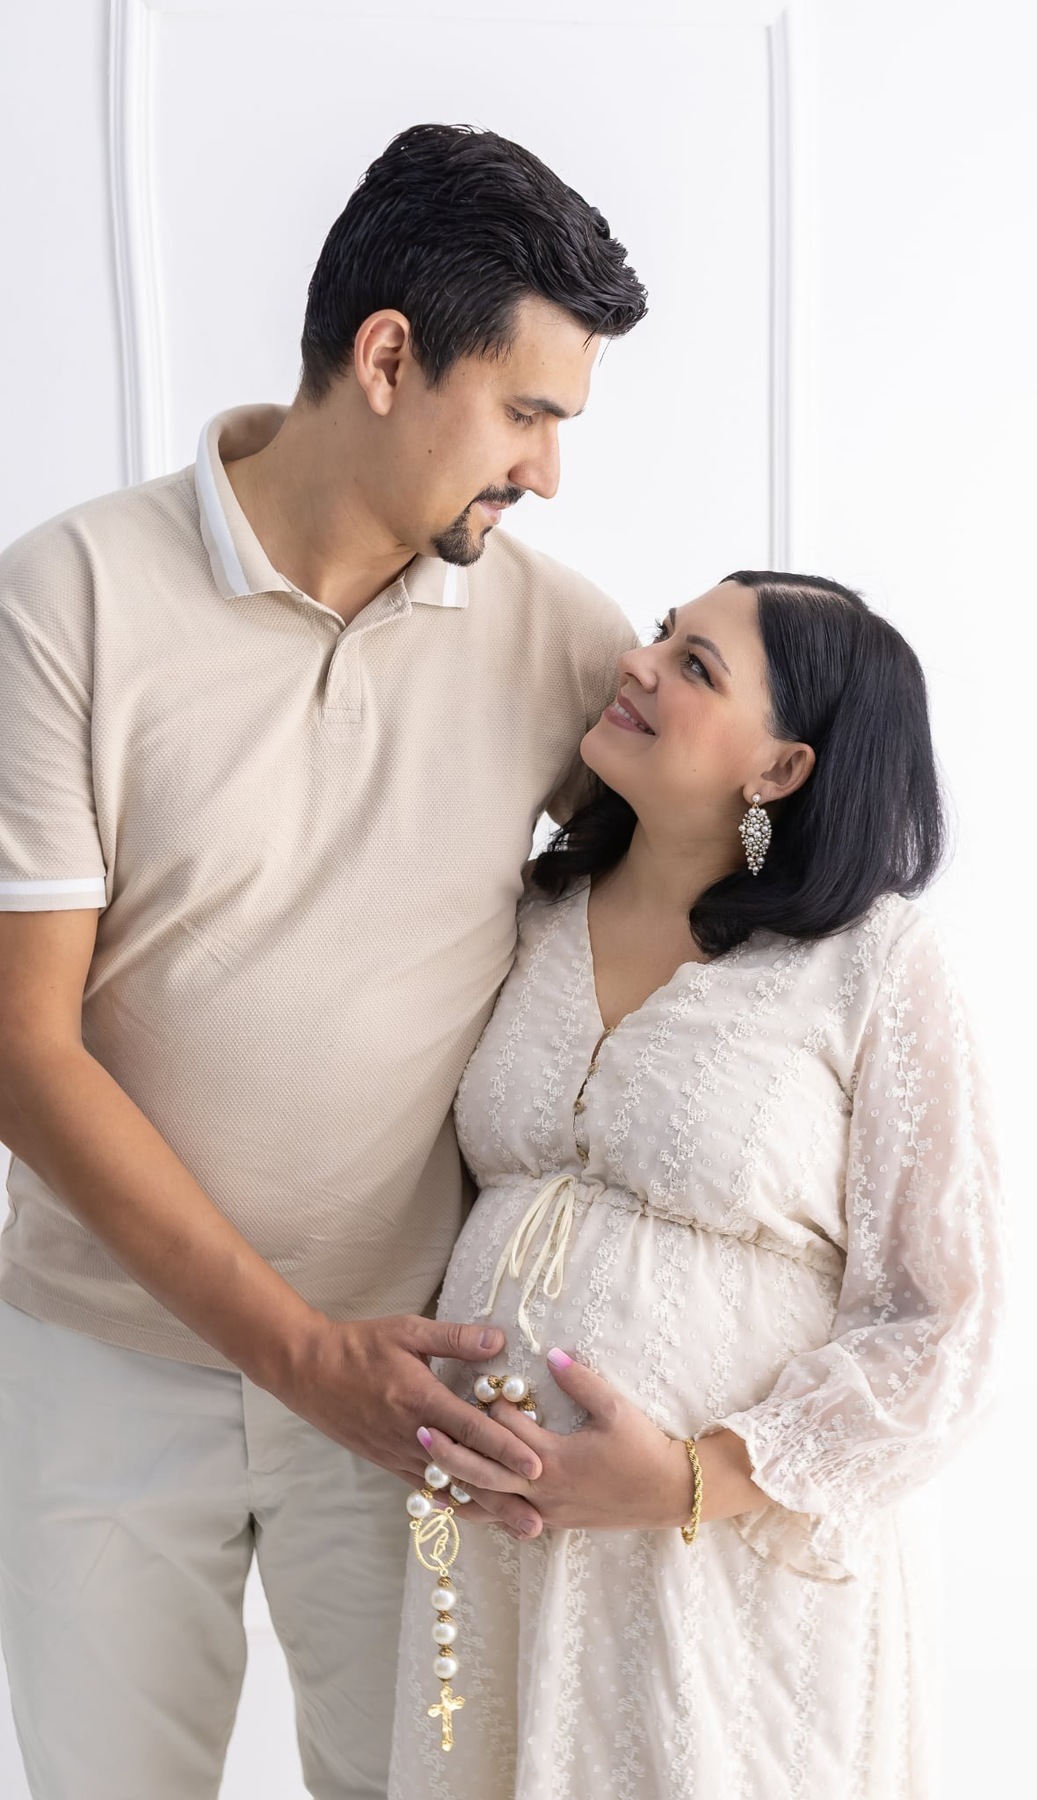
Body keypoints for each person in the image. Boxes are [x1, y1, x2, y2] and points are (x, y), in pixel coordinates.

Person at [0, 123, 645, 1799]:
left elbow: (734, 896)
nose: (549, 473)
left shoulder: (561, 637)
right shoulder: (65, 600)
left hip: (417, 1373)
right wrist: (298, 1352)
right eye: (528, 414)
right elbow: (21, 1049)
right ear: (385, 359)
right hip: (101, 1362)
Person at [389, 572, 1003, 1799]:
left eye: (698, 666)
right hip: (494, 1556)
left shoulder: (871, 962)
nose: (641, 659)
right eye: (664, 632)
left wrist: (687, 1482)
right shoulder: (531, 917)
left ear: (780, 770)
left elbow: (946, 1326)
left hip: (726, 1575)